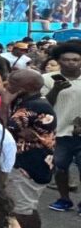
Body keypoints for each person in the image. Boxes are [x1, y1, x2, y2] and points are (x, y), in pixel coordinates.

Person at [6, 69, 56, 228]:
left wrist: (17, 129)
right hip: (31, 162)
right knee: (24, 207)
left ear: (25, 87)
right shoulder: (29, 102)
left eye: (13, 82)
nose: (8, 83)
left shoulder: (34, 106)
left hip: (29, 165)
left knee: (23, 209)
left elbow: (8, 126)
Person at [43, 40, 81, 212]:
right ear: (59, 61)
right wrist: (56, 90)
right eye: (66, 60)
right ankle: (64, 199)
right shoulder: (47, 79)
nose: (71, 63)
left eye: (75, 60)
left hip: (79, 133)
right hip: (58, 132)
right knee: (59, 168)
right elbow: (45, 105)